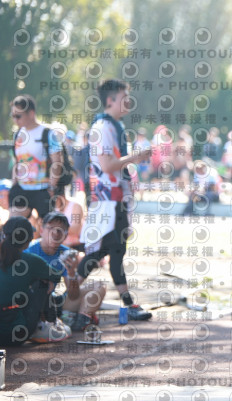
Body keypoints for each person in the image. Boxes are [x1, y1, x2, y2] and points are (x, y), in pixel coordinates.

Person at [76, 79, 152, 321]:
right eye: (124, 96)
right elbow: (108, 165)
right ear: (110, 100)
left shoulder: (115, 125)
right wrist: (135, 157)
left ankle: (127, 302)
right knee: (101, 251)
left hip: (114, 198)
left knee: (113, 250)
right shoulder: (103, 127)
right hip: (106, 201)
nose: (128, 100)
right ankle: (63, 293)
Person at [25, 212, 106, 332]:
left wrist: (72, 273)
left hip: (54, 302)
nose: (55, 233)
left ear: (65, 235)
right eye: (51, 228)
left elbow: (73, 296)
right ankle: (63, 319)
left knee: (99, 286)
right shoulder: (29, 251)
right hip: (34, 302)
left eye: (60, 230)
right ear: (41, 230)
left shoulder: (66, 253)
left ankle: (80, 320)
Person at [0, 216, 64, 345]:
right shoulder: (31, 260)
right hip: (17, 334)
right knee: (42, 283)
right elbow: (56, 275)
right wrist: (46, 280)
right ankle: (47, 324)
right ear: (28, 240)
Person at [9, 95, 62, 221]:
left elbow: (57, 162)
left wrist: (52, 187)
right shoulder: (18, 134)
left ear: (31, 113)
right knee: (14, 226)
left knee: (47, 227)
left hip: (43, 189)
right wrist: (14, 183)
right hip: (21, 188)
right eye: (13, 116)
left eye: (18, 116)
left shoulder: (48, 133)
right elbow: (17, 161)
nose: (15, 120)